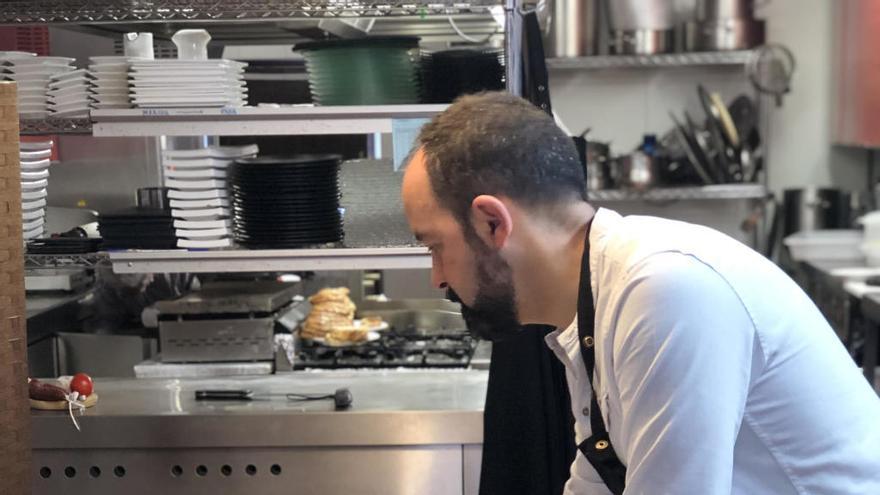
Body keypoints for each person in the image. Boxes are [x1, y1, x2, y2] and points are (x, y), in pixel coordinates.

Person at [400, 91, 880, 494]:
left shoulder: (667, 290)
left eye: (435, 247)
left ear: (491, 223)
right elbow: (596, 476)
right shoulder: (593, 299)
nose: (437, 277)